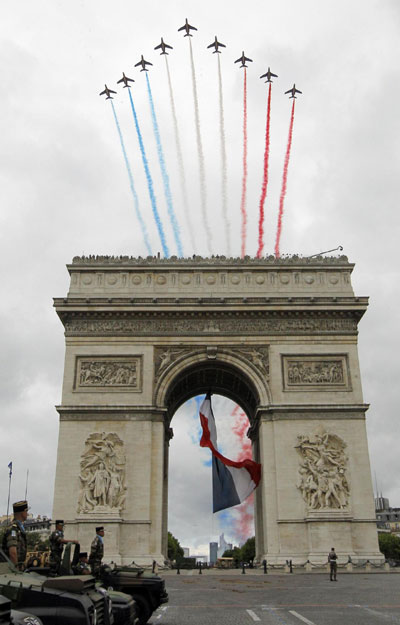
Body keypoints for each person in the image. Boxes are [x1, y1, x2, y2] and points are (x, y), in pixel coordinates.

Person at [1, 500, 29, 570]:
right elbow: (13, 552)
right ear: (22, 513)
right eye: (26, 511)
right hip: (10, 569)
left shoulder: (19, 528)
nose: (27, 514)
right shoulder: (13, 529)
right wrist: (16, 570)